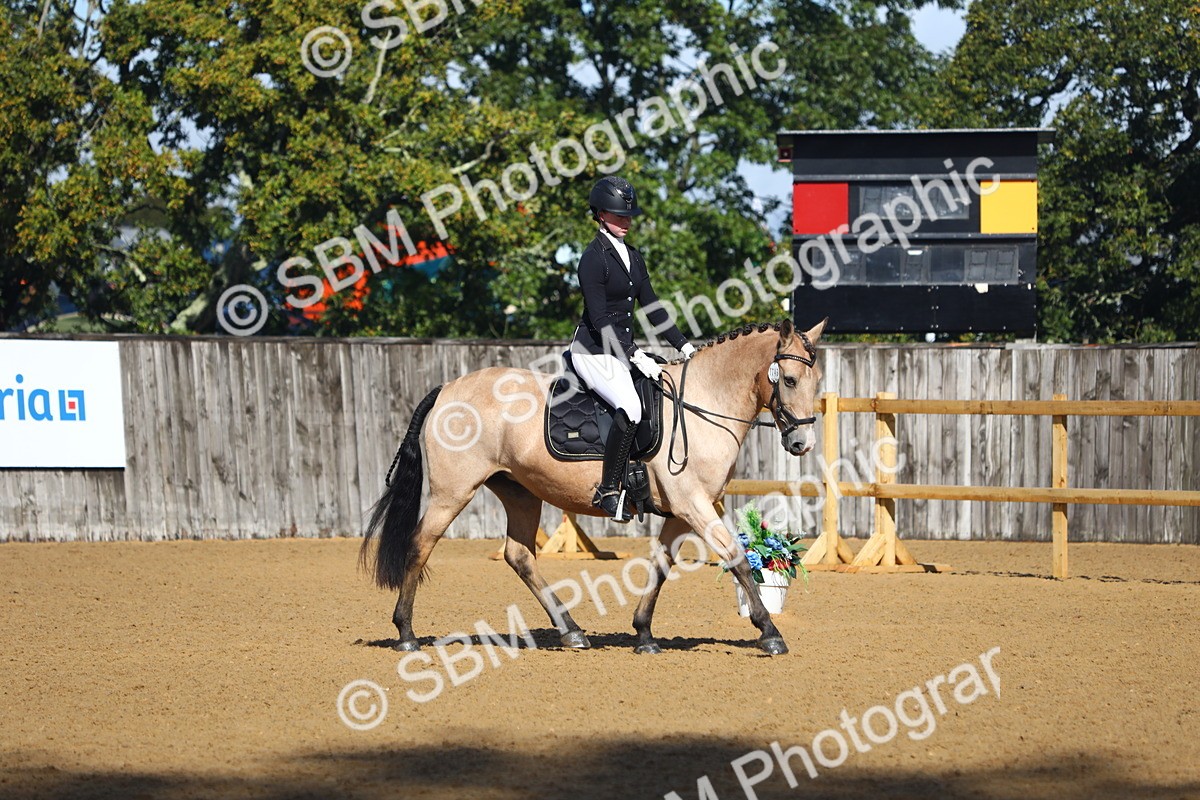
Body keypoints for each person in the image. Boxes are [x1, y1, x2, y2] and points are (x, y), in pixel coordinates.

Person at [569, 176, 696, 521]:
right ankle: (609, 491)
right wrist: (634, 354)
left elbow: (653, 308)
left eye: (628, 216)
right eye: (617, 215)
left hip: (620, 349)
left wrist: (684, 346)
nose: (625, 221)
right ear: (599, 214)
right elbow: (598, 318)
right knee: (631, 405)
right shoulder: (593, 259)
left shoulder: (634, 258)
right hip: (593, 351)